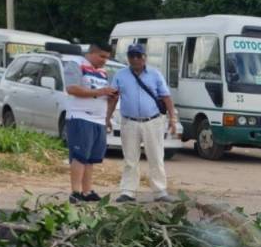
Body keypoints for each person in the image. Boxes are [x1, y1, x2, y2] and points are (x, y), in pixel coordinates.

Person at [105, 43, 177, 203]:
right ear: (128, 58)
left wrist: (172, 119)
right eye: (132, 56)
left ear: (145, 57)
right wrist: (107, 118)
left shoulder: (155, 74)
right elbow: (113, 98)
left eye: (139, 56)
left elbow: (166, 98)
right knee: (130, 158)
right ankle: (128, 191)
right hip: (129, 121)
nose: (135, 59)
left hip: (152, 121)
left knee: (156, 156)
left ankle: (160, 191)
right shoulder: (120, 75)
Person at [63, 43, 116, 203]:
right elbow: (72, 89)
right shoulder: (76, 64)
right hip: (80, 116)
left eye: (107, 57)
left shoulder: (103, 72)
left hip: (98, 119)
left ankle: (87, 191)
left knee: (91, 157)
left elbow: (105, 94)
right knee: (80, 155)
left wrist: (109, 111)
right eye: (102, 56)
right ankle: (76, 192)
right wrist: (99, 92)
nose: (104, 61)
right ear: (92, 52)